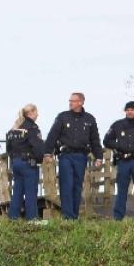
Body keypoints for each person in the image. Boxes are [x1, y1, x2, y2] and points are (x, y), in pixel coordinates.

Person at [44, 92, 103, 220]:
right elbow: (52, 135)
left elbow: (95, 140)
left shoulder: (89, 119)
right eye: (69, 100)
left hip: (81, 156)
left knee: (77, 186)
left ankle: (74, 216)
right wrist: (48, 152)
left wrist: (99, 157)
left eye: (73, 101)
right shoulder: (62, 117)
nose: (70, 103)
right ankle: (67, 216)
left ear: (81, 102)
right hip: (66, 155)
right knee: (66, 184)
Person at [5, 104, 47, 221]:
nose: (38, 114)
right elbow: (38, 147)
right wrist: (40, 159)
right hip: (28, 163)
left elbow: (8, 147)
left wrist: (14, 159)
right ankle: (32, 218)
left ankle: (13, 216)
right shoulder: (32, 128)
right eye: (36, 112)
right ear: (31, 113)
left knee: (18, 190)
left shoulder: (14, 129)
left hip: (16, 163)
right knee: (31, 191)